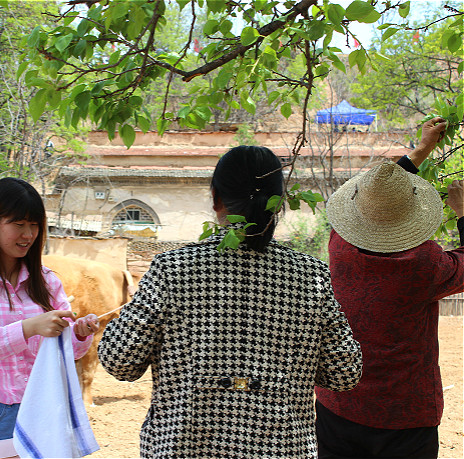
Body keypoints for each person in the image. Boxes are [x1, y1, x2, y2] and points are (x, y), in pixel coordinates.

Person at [98, 145, 363, 458]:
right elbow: (345, 372)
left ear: (215, 198)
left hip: (184, 449)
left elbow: (120, 361)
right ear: (277, 204)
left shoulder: (173, 269)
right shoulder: (310, 276)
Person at [315, 117, 464, 459]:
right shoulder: (426, 264)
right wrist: (463, 214)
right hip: (406, 415)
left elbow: (380, 200)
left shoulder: (340, 246)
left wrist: (421, 150)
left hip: (340, 403)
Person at [0, 177, 100, 459]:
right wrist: (28, 328)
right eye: (18, 224)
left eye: (34, 225)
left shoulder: (48, 281)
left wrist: (78, 333)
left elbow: (71, 352)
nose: (28, 234)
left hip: (46, 407)